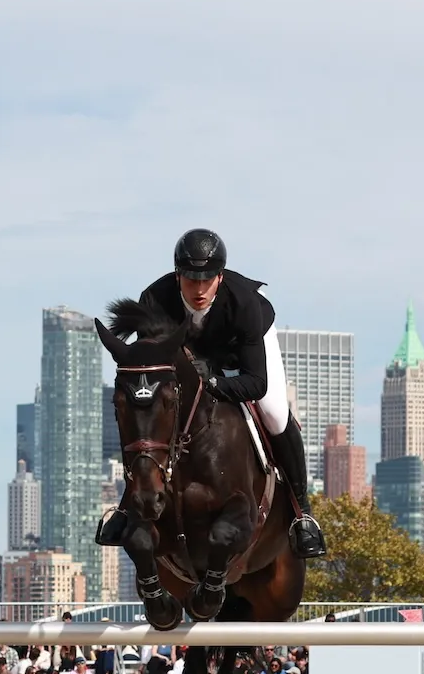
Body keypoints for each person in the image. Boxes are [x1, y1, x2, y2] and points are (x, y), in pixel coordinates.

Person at [94, 228, 327, 558]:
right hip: (192, 364)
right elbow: (151, 369)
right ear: (178, 276)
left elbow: (255, 383)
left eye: (207, 280)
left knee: (274, 412)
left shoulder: (244, 304)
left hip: (241, 357)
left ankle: (302, 513)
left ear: (220, 277)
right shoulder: (155, 300)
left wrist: (213, 383)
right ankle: (125, 506)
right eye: (191, 280)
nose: (199, 289)